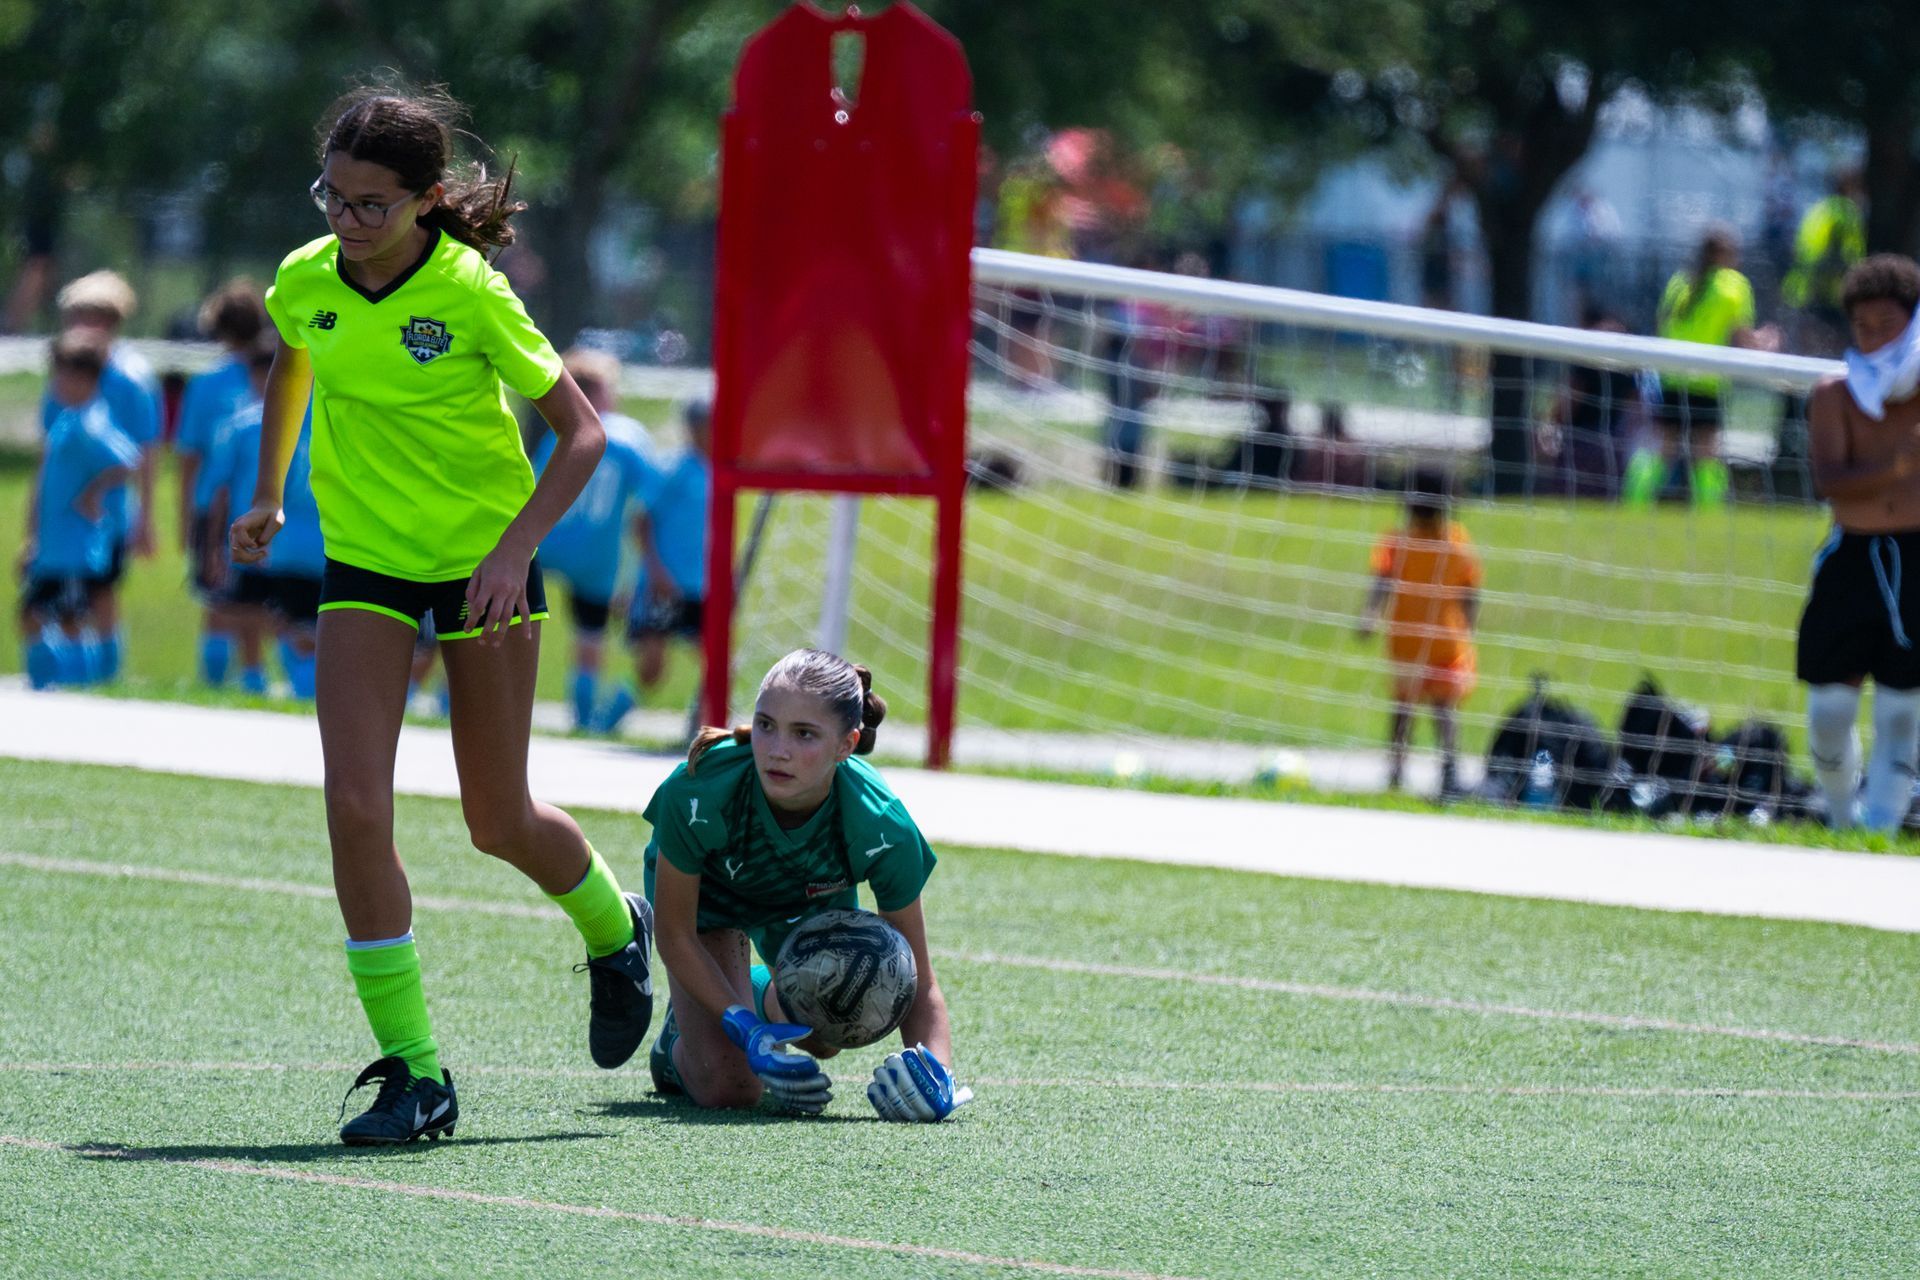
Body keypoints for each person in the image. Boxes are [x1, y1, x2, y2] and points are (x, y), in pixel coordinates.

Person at [228, 85, 654, 1145]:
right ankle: (416, 1073)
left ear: (424, 201)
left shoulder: (471, 292)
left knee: (496, 820)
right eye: (333, 193)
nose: (346, 218)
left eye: (373, 202)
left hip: (482, 569)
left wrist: (516, 550)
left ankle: (616, 926)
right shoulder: (304, 279)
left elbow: (584, 432)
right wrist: (272, 490)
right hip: (366, 561)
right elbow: (296, 359)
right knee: (355, 808)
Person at [642, 648, 972, 1122]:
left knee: (827, 1030)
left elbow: (920, 980)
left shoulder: (880, 824)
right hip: (709, 902)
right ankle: (679, 1041)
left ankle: (748, 993)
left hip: (801, 905)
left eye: (804, 735)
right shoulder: (699, 787)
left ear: (847, 744)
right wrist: (745, 1028)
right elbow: (674, 934)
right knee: (728, 1089)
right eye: (766, 725)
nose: (778, 749)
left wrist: (936, 1073)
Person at [1797, 254, 1920, 832]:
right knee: (1830, 706)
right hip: (1853, 556)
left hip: (1916, 558)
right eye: (1862, 327)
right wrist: (1895, 466)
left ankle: (1883, 830)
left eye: (1887, 325)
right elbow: (1833, 484)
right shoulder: (1834, 394)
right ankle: (1842, 816)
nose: (1873, 339)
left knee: (1902, 706)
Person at [39, 271, 162, 680]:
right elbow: (50, 442)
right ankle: (71, 674)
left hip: (107, 511)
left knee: (102, 593)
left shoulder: (131, 377)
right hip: (61, 510)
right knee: (62, 598)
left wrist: (145, 516)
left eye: (86, 314)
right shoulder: (67, 369)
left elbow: (144, 450)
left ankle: (106, 676)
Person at [528, 346, 655, 730]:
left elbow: (532, 484)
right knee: (590, 637)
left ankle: (454, 699)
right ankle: (584, 716)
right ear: (599, 393)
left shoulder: (558, 433)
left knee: (508, 621)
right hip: (597, 556)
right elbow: (650, 496)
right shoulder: (627, 438)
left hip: (546, 543)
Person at [17, 331, 139, 688]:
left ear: (86, 379)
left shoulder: (92, 422)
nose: (57, 383)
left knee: (65, 619)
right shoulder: (68, 418)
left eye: (64, 375)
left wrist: (93, 493)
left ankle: (77, 689)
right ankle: (50, 684)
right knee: (36, 616)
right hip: (53, 546)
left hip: (74, 548)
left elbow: (128, 462)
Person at [1628, 225, 1779, 508]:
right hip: (1707, 380)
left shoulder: (1679, 282)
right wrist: (1766, 341)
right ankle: (1710, 512)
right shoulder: (1733, 285)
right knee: (1707, 454)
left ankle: (1632, 502)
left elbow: (1663, 326)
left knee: (1661, 448)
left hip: (1672, 377)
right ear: (1725, 254)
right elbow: (1742, 337)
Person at [1357, 469, 1482, 797]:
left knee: (1417, 711)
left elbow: (1381, 582)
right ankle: (1429, 770)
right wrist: (1470, 625)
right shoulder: (1448, 540)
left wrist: (1369, 615)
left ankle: (1427, 771)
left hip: (1419, 642)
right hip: (1436, 642)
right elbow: (1472, 590)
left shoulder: (1415, 541)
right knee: (1433, 711)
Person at [597, 397, 711, 735]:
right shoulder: (673, 468)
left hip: (701, 584)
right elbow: (640, 520)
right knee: (652, 668)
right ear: (693, 429)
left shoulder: (719, 470)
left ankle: (700, 725)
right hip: (665, 585)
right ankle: (606, 715)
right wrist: (657, 572)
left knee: (715, 661)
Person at [175, 280, 269, 687]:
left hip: (214, 504)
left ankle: (213, 685)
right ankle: (253, 677)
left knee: (219, 601)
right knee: (260, 601)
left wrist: (185, 518)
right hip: (270, 504)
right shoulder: (279, 372)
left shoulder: (207, 384)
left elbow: (190, 456)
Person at [202, 339, 289, 695]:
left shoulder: (239, 424)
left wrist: (213, 544)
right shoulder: (315, 420)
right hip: (298, 538)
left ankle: (252, 679)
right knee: (281, 615)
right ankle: (277, 683)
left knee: (246, 611)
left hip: (258, 533)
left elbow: (218, 490)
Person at [1782, 170, 1867, 359]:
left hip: (1804, 290)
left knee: (1804, 348)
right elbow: (1842, 255)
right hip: (1829, 293)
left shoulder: (1818, 208)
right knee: (1832, 352)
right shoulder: (1846, 212)